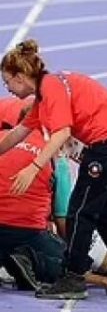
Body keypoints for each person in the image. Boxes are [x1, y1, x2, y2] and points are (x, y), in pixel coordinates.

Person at [0, 39, 107, 300]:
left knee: (80, 212)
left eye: (7, 82)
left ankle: (73, 278)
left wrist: (33, 168)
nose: (7, 89)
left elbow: (61, 133)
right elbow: (19, 132)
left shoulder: (51, 88)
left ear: (20, 77)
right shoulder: (47, 94)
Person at [0, 98, 68, 291]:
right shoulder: (56, 157)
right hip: (28, 231)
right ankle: (29, 259)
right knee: (68, 265)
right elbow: (62, 215)